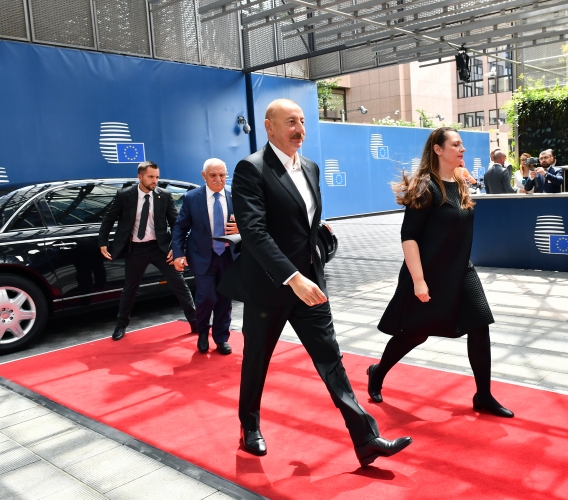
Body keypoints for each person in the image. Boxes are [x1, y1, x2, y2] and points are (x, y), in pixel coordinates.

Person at [216, 99, 412, 466]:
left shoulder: (310, 167)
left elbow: (304, 226)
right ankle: (249, 426)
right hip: (270, 286)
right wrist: (292, 278)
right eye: (291, 121)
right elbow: (254, 232)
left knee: (331, 358)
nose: (300, 129)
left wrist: (311, 265)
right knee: (256, 360)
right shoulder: (251, 169)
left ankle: (366, 438)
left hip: (310, 284)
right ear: (269, 126)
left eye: (303, 121)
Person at [370, 127, 514, 419]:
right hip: (430, 274)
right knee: (416, 334)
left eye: (462, 145)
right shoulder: (426, 187)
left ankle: (483, 395)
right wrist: (419, 281)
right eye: (456, 144)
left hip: (462, 270)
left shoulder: (459, 183)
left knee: (480, 324)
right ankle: (378, 371)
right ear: (438, 149)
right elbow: (409, 237)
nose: (462, 149)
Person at [99, 161, 196, 341]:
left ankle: (195, 321)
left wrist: (176, 248)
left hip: (160, 248)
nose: (155, 181)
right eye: (151, 177)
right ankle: (121, 325)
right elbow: (109, 218)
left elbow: (176, 224)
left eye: (157, 177)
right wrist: (103, 241)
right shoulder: (125, 195)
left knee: (179, 284)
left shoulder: (164, 195)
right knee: (130, 289)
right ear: (140, 177)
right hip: (135, 249)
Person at [172, 158, 239, 355]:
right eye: (213, 175)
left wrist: (241, 228)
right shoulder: (192, 198)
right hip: (202, 257)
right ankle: (202, 332)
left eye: (222, 175)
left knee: (225, 299)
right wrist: (178, 253)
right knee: (207, 297)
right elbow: (180, 228)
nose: (218, 179)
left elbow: (251, 223)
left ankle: (221, 338)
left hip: (228, 256)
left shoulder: (235, 196)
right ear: (204, 176)